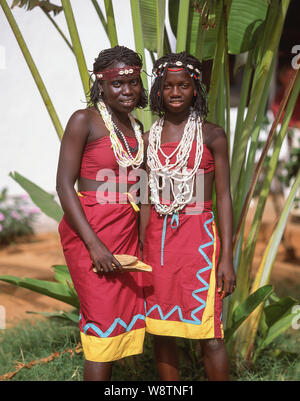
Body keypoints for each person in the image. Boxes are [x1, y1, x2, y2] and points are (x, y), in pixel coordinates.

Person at [140, 52, 236, 381]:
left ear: (196, 89)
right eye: (168, 86)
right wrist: (141, 245)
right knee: (162, 330)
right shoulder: (147, 139)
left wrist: (227, 258)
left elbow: (223, 196)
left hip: (199, 241)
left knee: (210, 334)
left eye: (183, 85)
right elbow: (143, 196)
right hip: (157, 242)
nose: (176, 92)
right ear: (158, 91)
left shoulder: (212, 135)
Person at [56, 46, 147, 381]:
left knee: (120, 319)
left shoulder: (135, 126)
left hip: (124, 228)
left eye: (133, 82)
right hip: (90, 229)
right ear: (101, 86)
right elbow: (64, 185)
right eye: (117, 84)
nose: (127, 91)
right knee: (102, 323)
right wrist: (94, 245)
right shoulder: (85, 120)